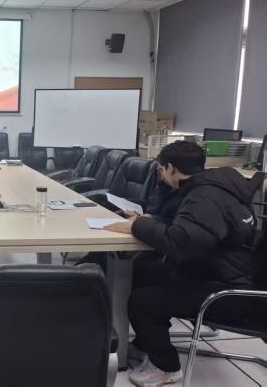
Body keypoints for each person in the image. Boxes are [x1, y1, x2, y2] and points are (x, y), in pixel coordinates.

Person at [104, 141, 256, 387]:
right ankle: (146, 343)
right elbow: (193, 228)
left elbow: (181, 244)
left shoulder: (205, 197)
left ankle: (166, 367)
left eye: (161, 169)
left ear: (171, 168)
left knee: (144, 302)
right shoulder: (212, 188)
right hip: (214, 272)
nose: (161, 176)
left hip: (224, 290)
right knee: (138, 272)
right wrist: (153, 220)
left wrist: (139, 225)